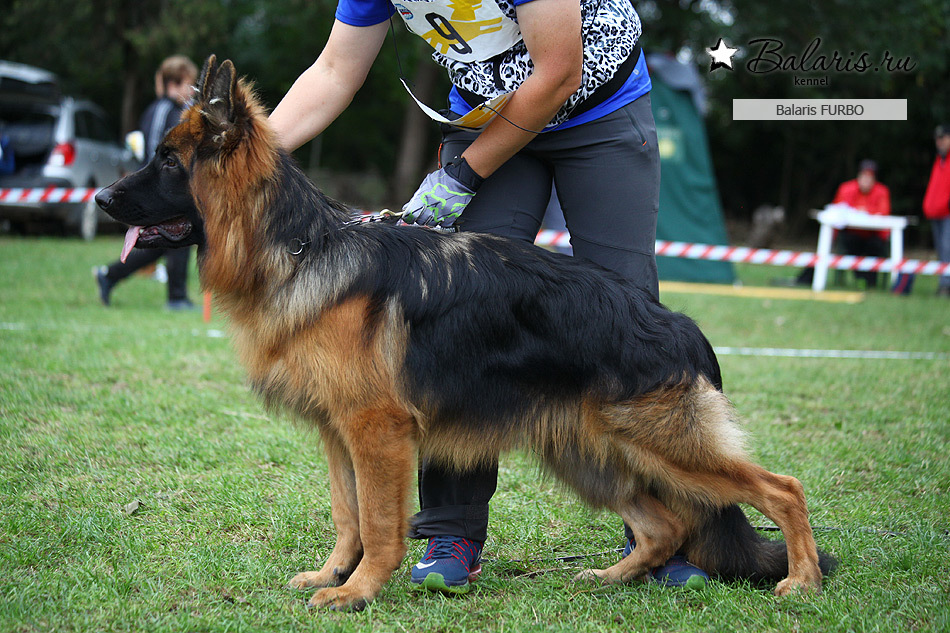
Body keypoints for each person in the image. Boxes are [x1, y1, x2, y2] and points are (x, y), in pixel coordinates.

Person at [269, 0, 708, 593]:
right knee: (452, 314)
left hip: (597, 107)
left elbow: (559, 70)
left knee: (624, 310)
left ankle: (661, 532)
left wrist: (461, 175)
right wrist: (249, 153)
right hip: (487, 115)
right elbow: (333, 70)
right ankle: (451, 530)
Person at [95, 55, 198, 309]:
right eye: (188, 83)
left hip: (157, 187)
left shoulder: (160, 109)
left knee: (160, 241)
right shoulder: (167, 111)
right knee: (176, 237)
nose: (191, 90)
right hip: (157, 189)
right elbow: (159, 155)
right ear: (173, 84)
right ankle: (177, 297)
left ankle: (109, 275)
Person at [794, 159, 891, 288]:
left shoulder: (882, 191)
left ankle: (870, 282)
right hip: (851, 234)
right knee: (847, 243)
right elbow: (838, 209)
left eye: (870, 177)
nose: (866, 180)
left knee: (875, 246)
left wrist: (866, 211)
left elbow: (884, 213)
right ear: (859, 176)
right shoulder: (847, 188)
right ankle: (861, 278)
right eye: (864, 176)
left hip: (873, 235)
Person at [923, 124, 950, 297]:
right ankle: (944, 284)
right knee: (941, 250)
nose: (939, 142)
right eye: (937, 139)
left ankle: (946, 286)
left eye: (943, 138)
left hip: (947, 213)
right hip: (936, 213)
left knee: (947, 248)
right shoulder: (939, 159)